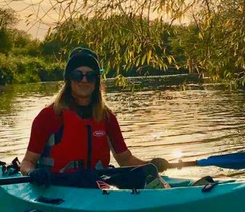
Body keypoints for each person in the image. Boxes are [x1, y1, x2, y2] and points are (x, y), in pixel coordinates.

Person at [20, 47, 169, 188]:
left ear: (96, 81)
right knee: (84, 178)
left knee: (145, 173)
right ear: (69, 80)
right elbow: (27, 162)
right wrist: (32, 173)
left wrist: (151, 164)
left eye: (90, 76)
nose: (84, 80)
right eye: (78, 75)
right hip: (60, 183)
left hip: (96, 182)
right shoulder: (49, 116)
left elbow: (125, 160)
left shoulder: (107, 117)